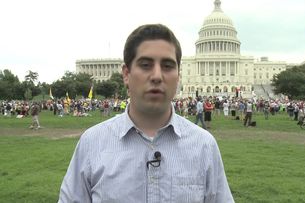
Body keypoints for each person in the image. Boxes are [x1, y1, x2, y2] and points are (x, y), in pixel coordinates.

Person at [58, 24, 234, 203]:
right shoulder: (91, 143)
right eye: (145, 65)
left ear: (178, 76)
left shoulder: (204, 146)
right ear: (126, 74)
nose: (157, 76)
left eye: (167, 66)